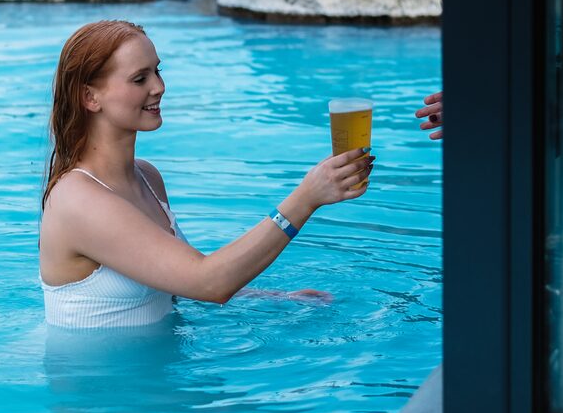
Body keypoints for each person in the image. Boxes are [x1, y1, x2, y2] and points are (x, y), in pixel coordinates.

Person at [39, 20, 375, 329]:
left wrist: (273, 300)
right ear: (90, 97)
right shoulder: (78, 200)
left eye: (157, 71)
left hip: (159, 369)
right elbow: (208, 282)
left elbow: (178, 284)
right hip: (96, 376)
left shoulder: (147, 177)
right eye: (140, 79)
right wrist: (306, 198)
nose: (159, 87)